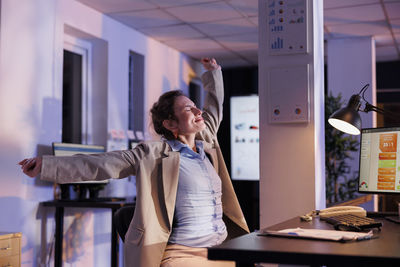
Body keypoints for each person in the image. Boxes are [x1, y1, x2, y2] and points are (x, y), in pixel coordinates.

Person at [19, 57, 249, 267]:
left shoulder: (206, 143)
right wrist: (46, 166)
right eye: (188, 108)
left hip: (222, 250)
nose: (197, 110)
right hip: (184, 255)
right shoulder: (153, 153)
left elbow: (212, 110)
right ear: (170, 124)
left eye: (195, 105)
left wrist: (213, 73)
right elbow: (102, 164)